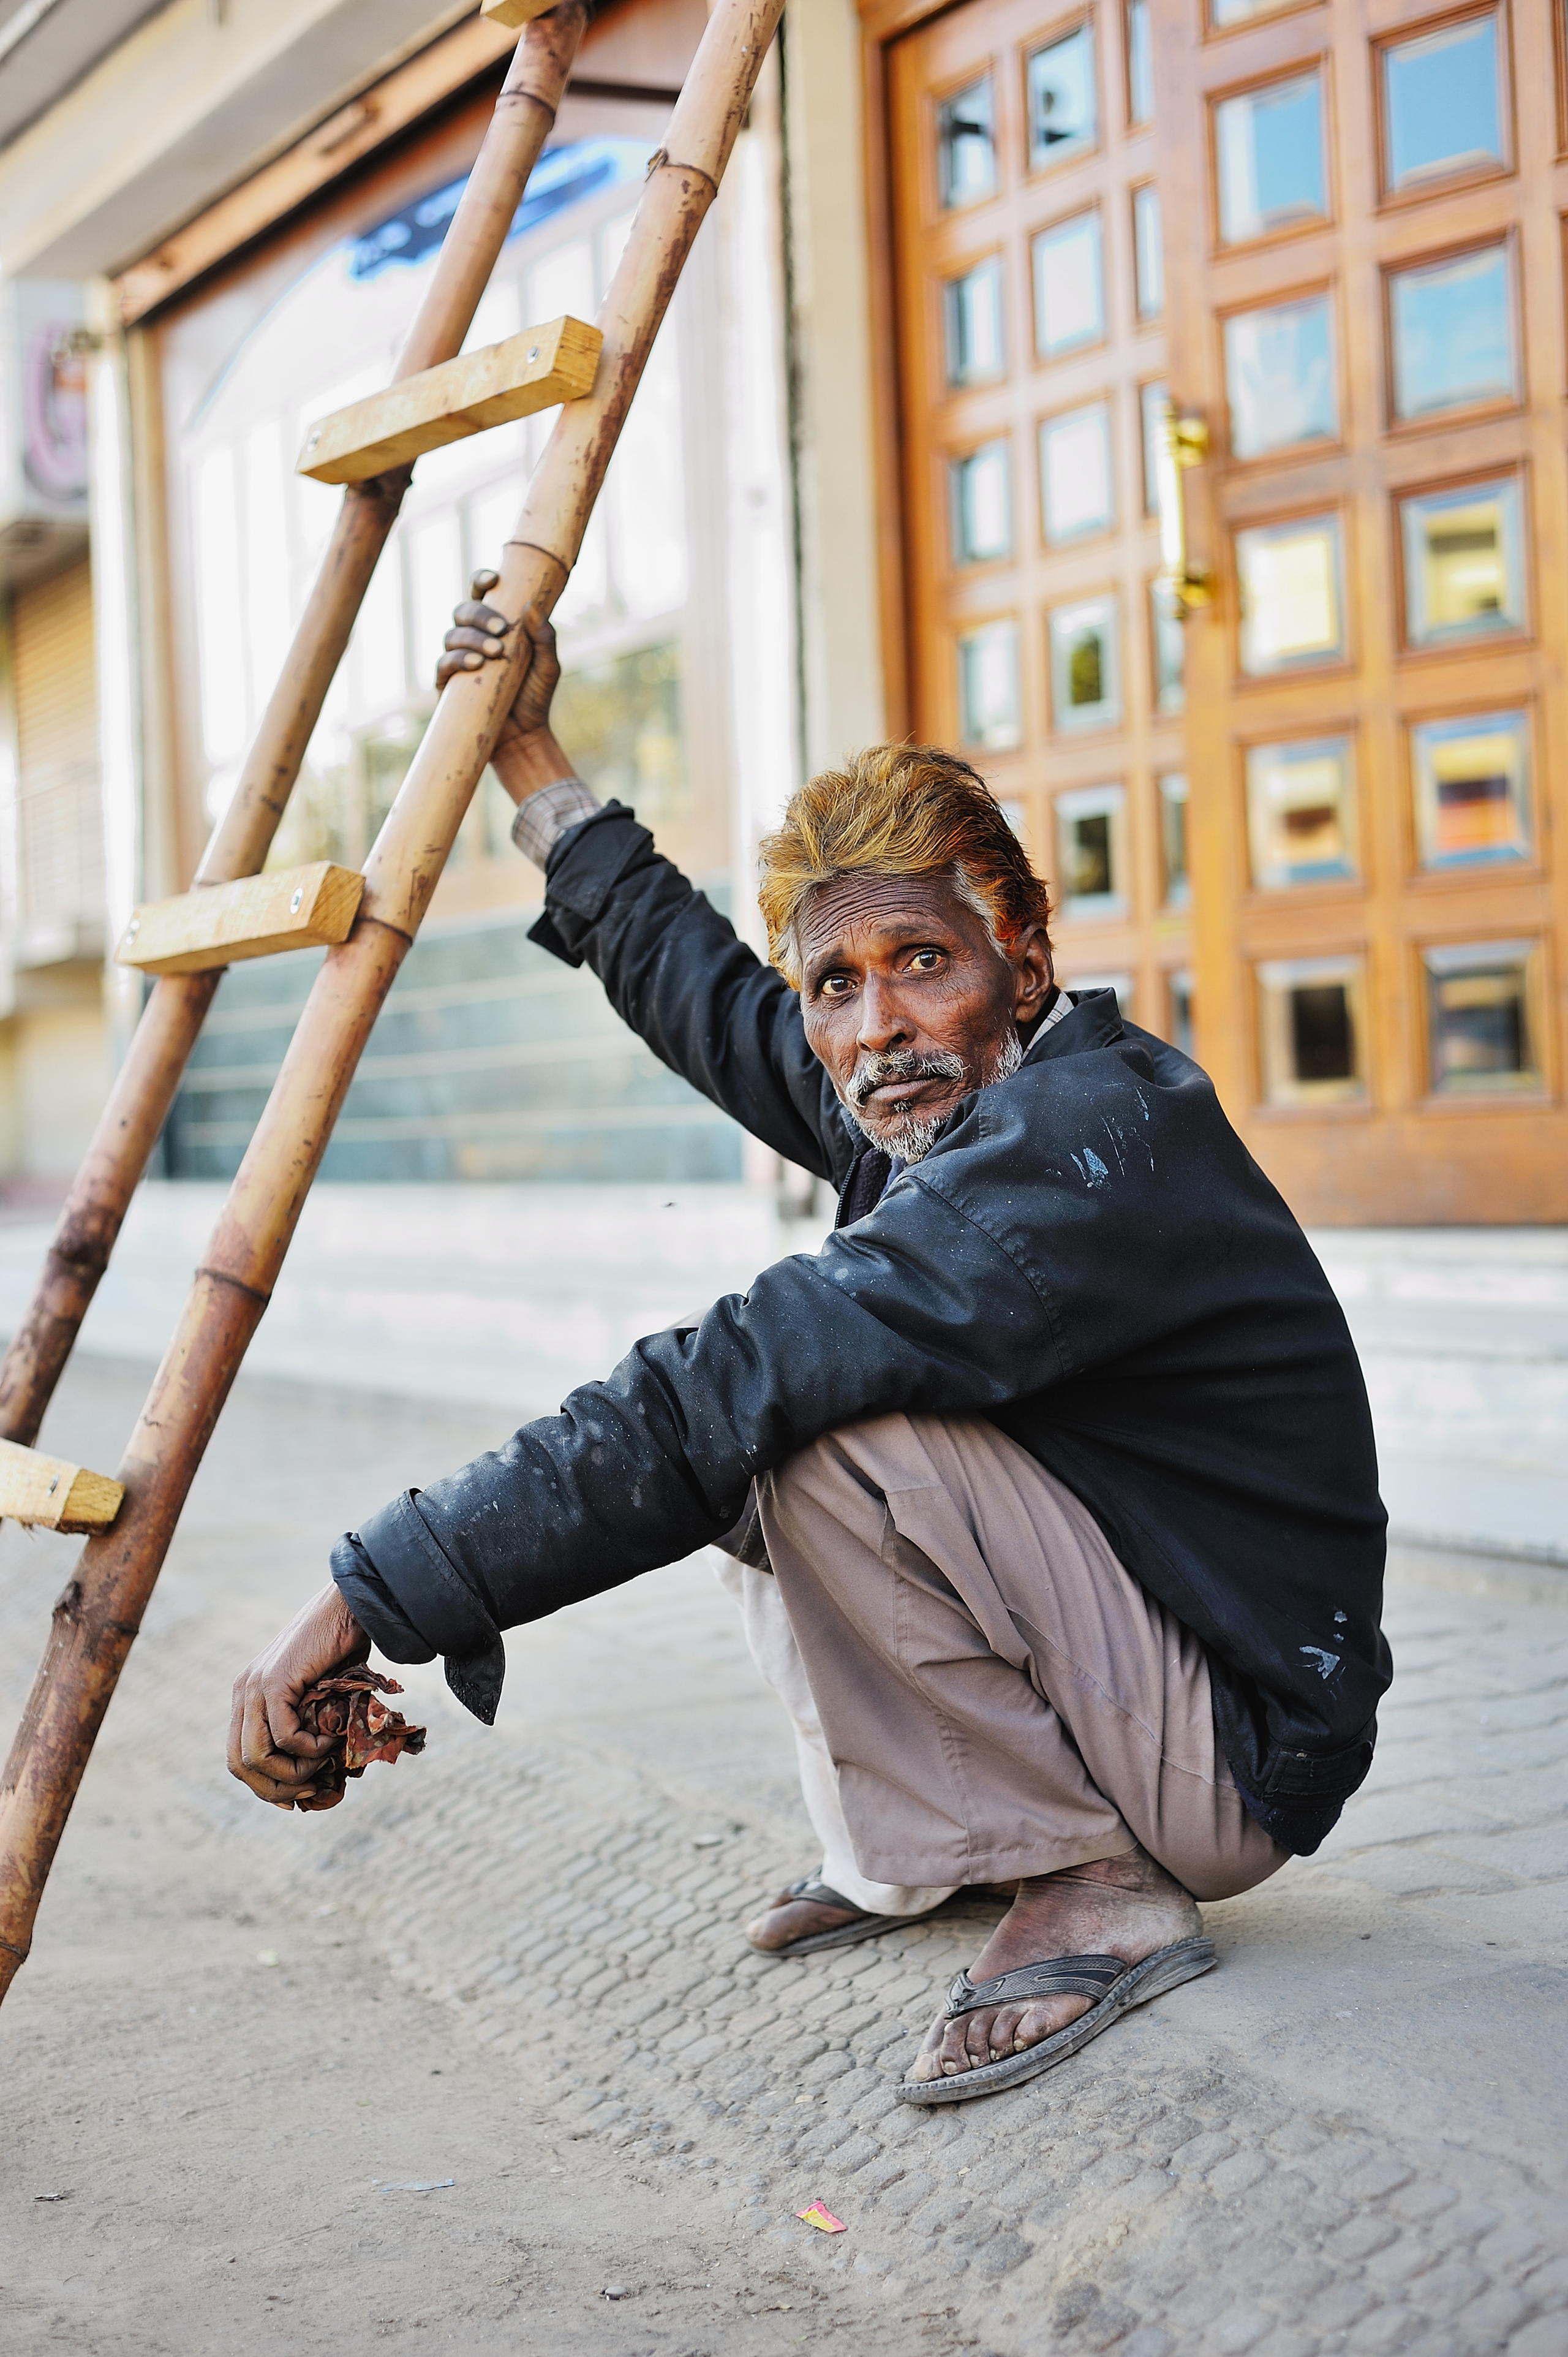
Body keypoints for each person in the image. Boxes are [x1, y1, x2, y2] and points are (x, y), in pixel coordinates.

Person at [230, 581, 1389, 2103]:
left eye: (922, 960)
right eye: (835, 983)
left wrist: (364, 1593)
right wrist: (531, 758)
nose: (873, 1022)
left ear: (1021, 966)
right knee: (770, 1434)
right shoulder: (920, 1092)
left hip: (1235, 1740)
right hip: (1146, 1662)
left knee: (815, 1430)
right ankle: (929, 1841)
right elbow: (705, 992)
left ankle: (1091, 1877)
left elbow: (715, 1382)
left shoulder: (1079, 1142)